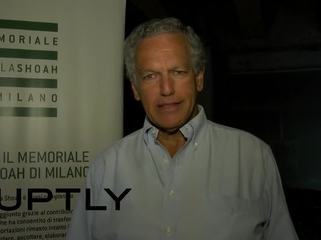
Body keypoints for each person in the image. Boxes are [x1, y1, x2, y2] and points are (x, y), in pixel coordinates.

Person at [66, 17, 298, 240]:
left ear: (199, 78)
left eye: (178, 72)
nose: (166, 89)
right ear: (135, 89)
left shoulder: (253, 157)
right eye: (150, 76)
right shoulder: (105, 169)